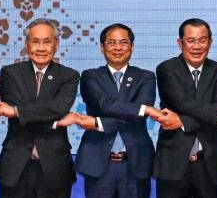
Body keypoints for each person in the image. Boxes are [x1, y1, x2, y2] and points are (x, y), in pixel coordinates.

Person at [154, 18, 217, 198]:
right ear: (180, 43)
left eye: (202, 40)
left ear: (210, 42)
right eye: (191, 40)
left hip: (211, 163)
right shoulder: (166, 69)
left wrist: (181, 120)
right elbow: (180, 102)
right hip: (173, 163)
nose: (197, 46)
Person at [68, 23, 158, 197]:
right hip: (98, 164)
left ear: (132, 46)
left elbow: (137, 117)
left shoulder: (146, 77)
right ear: (102, 47)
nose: (118, 47)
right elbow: (104, 104)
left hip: (135, 164)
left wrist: (97, 122)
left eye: (123, 42)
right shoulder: (90, 76)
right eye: (112, 42)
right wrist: (143, 109)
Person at [0, 18, 80, 198]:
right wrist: (55, 122)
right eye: (35, 41)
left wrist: (18, 111)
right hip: (16, 165)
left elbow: (58, 109)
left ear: (56, 45)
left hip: (54, 166)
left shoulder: (69, 76)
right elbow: (51, 112)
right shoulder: (10, 73)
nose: (41, 48)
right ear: (27, 45)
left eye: (47, 42)